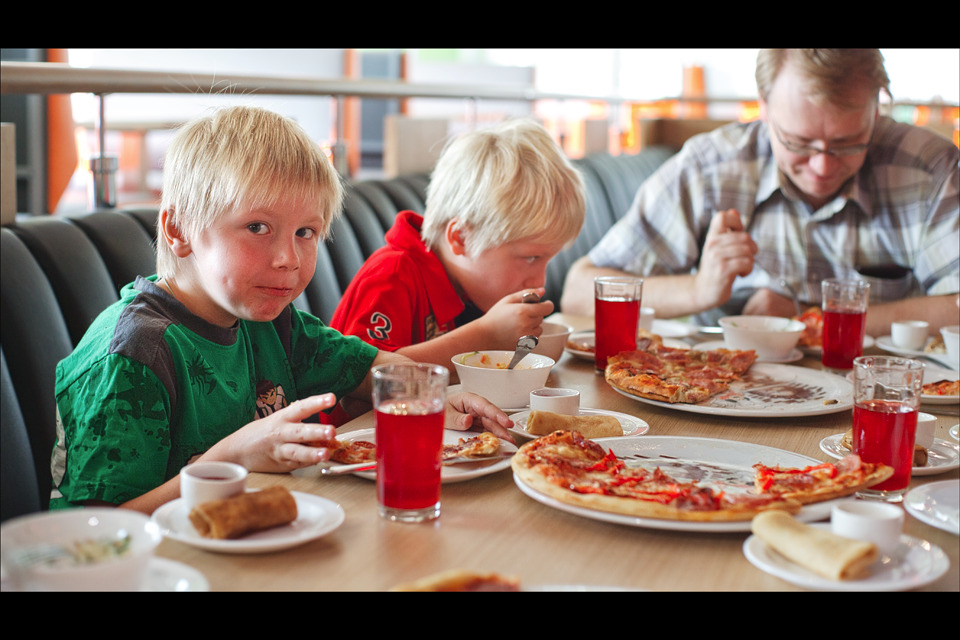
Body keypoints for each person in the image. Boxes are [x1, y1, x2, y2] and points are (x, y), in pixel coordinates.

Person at [50, 106, 514, 515]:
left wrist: (434, 398)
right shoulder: (133, 357)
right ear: (179, 229)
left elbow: (367, 366)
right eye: (257, 227)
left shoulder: (271, 321)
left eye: (306, 232)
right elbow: (101, 531)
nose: (288, 258)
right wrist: (232, 458)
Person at [561, 49, 959, 337]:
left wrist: (806, 317)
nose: (822, 167)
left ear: (876, 109)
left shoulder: (929, 168)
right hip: (719, 395)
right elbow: (579, 292)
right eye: (799, 142)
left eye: (847, 143)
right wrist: (699, 288)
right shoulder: (710, 166)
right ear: (764, 107)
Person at [331, 118, 585, 370]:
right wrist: (486, 335)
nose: (539, 282)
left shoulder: (469, 285)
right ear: (461, 238)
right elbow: (358, 386)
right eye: (531, 258)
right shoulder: (393, 274)